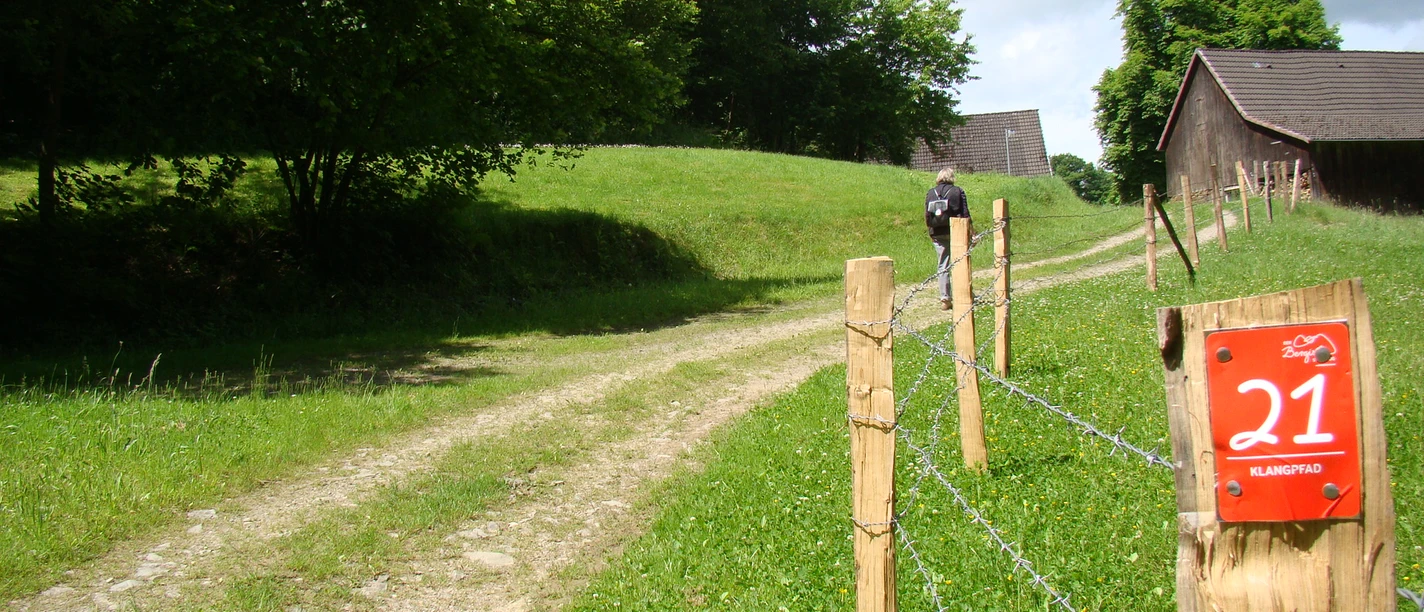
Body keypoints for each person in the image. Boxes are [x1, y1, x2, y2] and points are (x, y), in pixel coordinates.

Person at [925, 167, 969, 310]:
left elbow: (927, 215)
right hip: (956, 230)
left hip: (937, 231)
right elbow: (965, 213)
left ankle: (945, 299)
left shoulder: (931, 193)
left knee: (943, 264)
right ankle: (966, 294)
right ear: (951, 177)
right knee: (961, 261)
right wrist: (970, 231)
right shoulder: (958, 191)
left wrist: (930, 232)